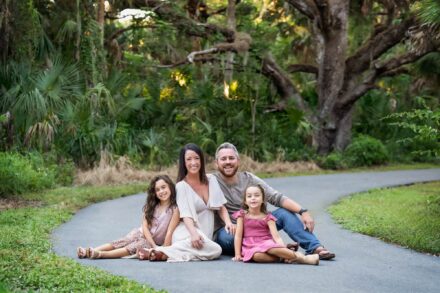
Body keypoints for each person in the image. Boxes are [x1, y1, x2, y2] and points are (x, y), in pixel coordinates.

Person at [214, 142, 335, 260]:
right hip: (232, 230)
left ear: (238, 161)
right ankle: (277, 250)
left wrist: (303, 211)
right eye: (223, 159)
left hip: (259, 225)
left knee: (284, 213)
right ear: (216, 163)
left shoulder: (249, 179)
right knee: (227, 239)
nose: (228, 162)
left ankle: (315, 247)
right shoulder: (211, 181)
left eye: (231, 158)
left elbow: (276, 197)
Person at [147, 143, 233, 262]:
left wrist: (228, 222)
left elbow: (221, 207)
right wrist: (193, 234)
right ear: (184, 162)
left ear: (201, 160)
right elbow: (186, 215)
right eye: (189, 159)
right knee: (216, 250)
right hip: (187, 232)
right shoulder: (181, 186)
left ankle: (164, 253)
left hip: (206, 234)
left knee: (209, 249)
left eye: (196, 158)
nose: (193, 162)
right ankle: (163, 251)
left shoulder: (211, 179)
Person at [76, 175, 180, 259]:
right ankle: (88, 251)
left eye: (163, 187)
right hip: (142, 234)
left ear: (170, 186)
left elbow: (169, 232)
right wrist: (153, 245)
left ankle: (100, 254)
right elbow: (144, 227)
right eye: (158, 190)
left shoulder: (174, 209)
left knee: (130, 248)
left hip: (153, 242)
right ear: (155, 193)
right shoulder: (152, 206)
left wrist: (162, 250)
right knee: (121, 241)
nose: (161, 191)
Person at [232, 184, 319, 265]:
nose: (253, 198)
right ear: (245, 201)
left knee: (272, 248)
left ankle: (302, 258)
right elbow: (238, 236)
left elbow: (276, 237)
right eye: (249, 196)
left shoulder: (268, 217)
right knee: (256, 256)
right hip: (250, 246)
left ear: (263, 200)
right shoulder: (241, 215)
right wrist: (237, 254)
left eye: (257, 195)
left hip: (266, 242)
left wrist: (282, 247)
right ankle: (283, 257)